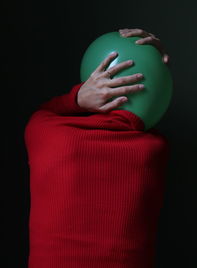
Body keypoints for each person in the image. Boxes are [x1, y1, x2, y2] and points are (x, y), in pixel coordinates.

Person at [24, 28, 170, 268]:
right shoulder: (155, 149)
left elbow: (46, 110)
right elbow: (148, 110)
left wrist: (77, 98)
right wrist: (158, 68)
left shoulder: (44, 131)